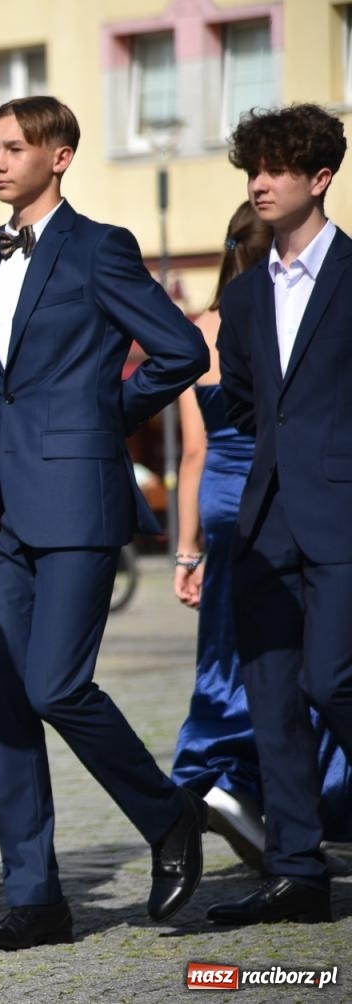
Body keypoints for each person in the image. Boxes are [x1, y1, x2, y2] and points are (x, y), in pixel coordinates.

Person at [0, 96, 209, 951]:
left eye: (13, 148)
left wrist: (103, 414)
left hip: (77, 498)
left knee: (57, 684)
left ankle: (169, 816)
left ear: (58, 157)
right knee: (11, 708)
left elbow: (180, 349)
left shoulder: (100, 248)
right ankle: (36, 899)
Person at [171, 202, 352, 874]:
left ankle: (238, 782)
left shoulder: (205, 325)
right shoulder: (262, 312)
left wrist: (187, 548)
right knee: (292, 664)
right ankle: (296, 826)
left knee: (246, 656)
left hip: (224, 496)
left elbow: (193, 452)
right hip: (270, 494)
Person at [210, 104, 352, 925]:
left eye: (275, 169)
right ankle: (298, 872)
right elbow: (242, 403)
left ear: (319, 178)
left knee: (335, 680)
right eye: (251, 169)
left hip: (342, 517)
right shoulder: (242, 297)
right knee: (270, 700)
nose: (258, 184)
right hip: (264, 521)